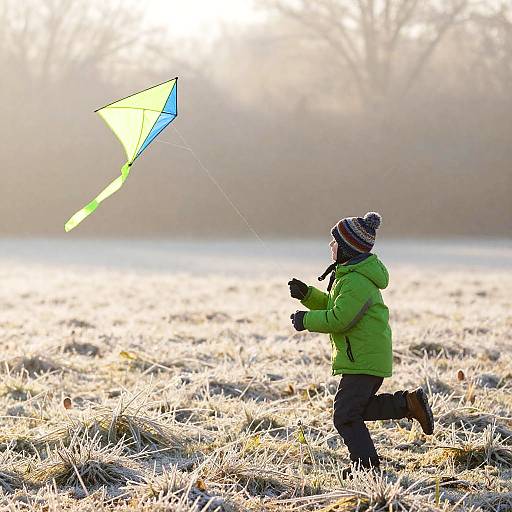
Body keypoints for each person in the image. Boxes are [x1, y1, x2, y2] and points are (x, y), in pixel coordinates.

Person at [288, 212, 434, 478]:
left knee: (344, 416)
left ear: (346, 249)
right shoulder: (350, 275)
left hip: (363, 360)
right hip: (366, 358)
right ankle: (408, 404)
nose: (330, 247)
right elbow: (335, 305)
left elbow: (339, 319)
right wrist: (307, 296)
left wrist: (305, 320)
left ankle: (365, 467)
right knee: (357, 410)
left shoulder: (356, 281)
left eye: (334, 242)